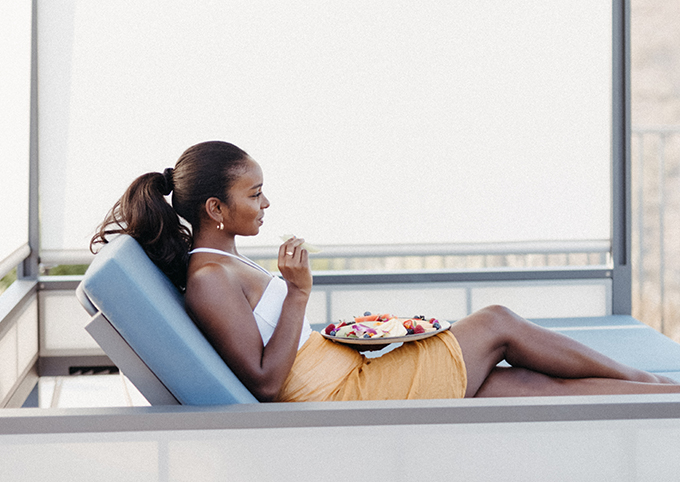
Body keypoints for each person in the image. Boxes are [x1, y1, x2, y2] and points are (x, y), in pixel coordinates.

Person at [92, 140, 680, 402]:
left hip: (346, 370)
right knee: (497, 321)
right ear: (215, 209)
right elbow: (267, 385)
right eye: (255, 193)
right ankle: (651, 383)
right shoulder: (209, 282)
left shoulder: (224, 263)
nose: (266, 203)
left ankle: (662, 396)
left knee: (521, 386)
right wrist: (298, 294)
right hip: (343, 392)